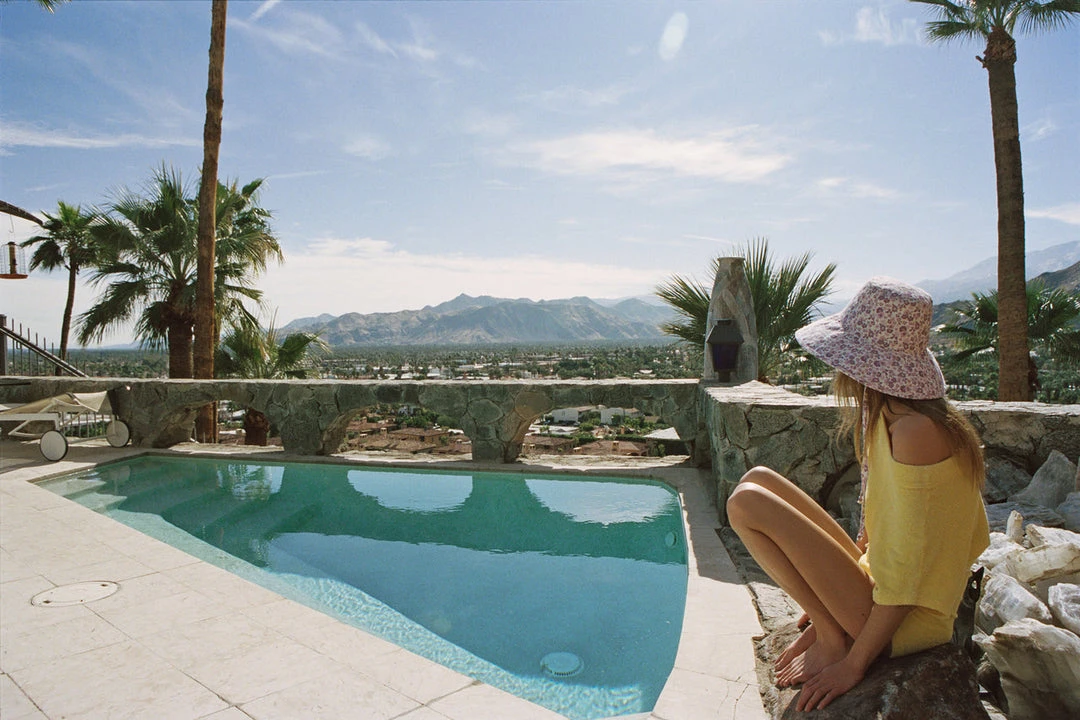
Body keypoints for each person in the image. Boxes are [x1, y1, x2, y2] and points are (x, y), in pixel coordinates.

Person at [726, 277, 989, 712]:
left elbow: (908, 575)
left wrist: (853, 661)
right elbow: (886, 534)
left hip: (907, 619)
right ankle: (830, 628)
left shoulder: (916, 432)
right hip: (878, 586)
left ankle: (834, 638)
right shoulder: (892, 413)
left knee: (745, 504)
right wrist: (832, 592)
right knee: (760, 478)